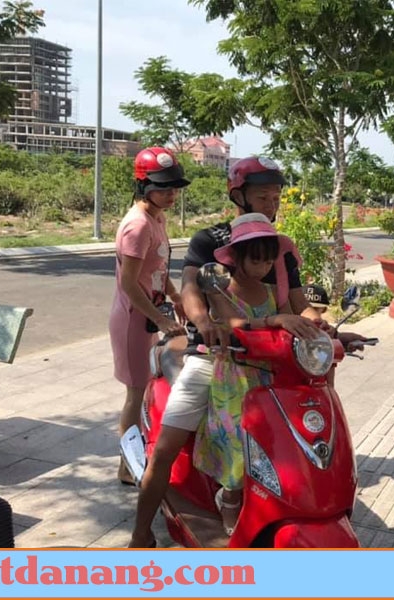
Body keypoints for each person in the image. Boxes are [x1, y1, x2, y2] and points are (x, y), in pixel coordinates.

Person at [128, 156, 365, 547]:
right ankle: (140, 535)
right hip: (214, 357)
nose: (272, 203)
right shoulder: (210, 240)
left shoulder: (276, 250)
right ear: (239, 195)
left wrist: (326, 329)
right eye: (263, 196)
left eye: (276, 197)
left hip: (271, 365)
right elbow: (192, 288)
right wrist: (203, 322)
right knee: (166, 448)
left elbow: (297, 306)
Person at [194, 213, 320, 534]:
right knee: (239, 444)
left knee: (273, 442)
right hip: (235, 379)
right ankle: (230, 499)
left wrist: (319, 328)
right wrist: (273, 321)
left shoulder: (271, 292)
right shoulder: (221, 291)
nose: (263, 267)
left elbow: (292, 322)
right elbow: (233, 324)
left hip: (270, 378)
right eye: (255, 260)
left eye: (268, 261)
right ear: (236, 257)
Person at [109, 147, 188, 485]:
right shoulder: (138, 226)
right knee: (135, 393)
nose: (171, 195)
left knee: (144, 391)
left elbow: (157, 269)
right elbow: (129, 283)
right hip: (133, 319)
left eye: (174, 188)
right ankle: (127, 467)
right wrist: (162, 319)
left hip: (149, 315)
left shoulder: (157, 218)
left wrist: (175, 297)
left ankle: (134, 460)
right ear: (143, 186)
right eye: (163, 188)